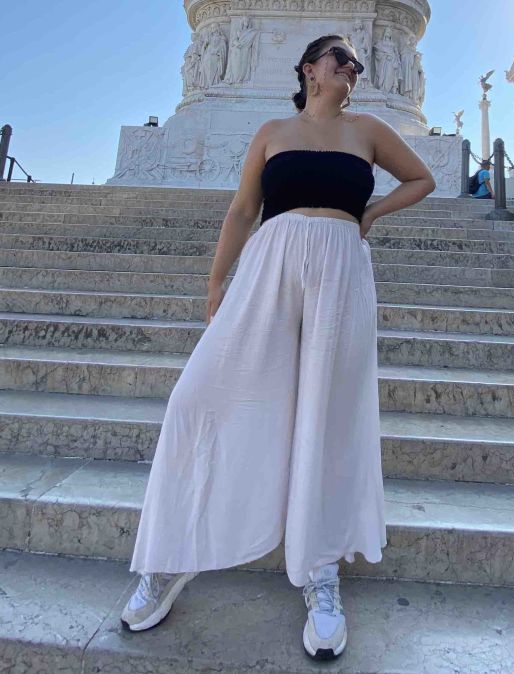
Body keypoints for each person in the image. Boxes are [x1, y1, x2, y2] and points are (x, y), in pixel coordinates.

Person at [120, 33, 436, 660]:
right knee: (197, 400)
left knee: (327, 416)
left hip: (342, 271)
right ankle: (171, 556)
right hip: (268, 267)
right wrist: (216, 281)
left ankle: (319, 571)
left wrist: (367, 217)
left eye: (357, 64)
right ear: (309, 70)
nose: (352, 68)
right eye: (340, 59)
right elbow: (243, 211)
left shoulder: (368, 129)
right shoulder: (271, 131)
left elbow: (421, 178)